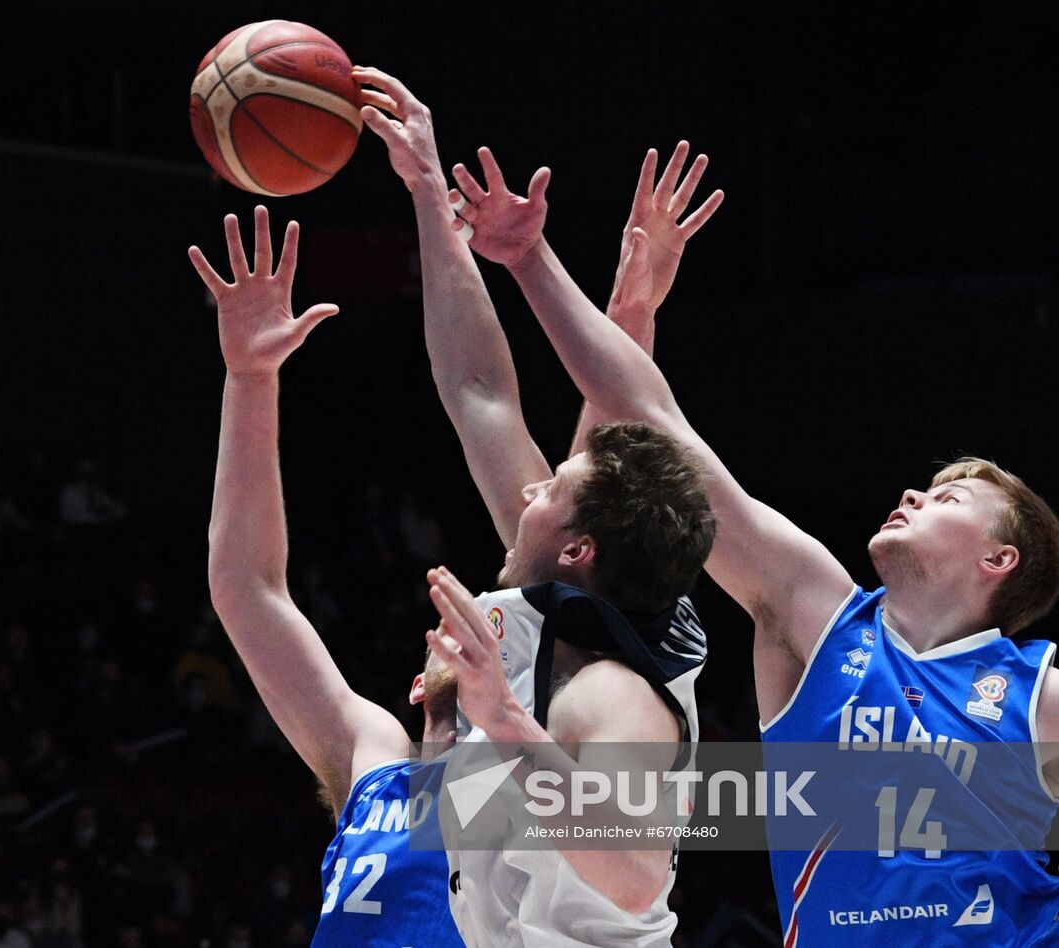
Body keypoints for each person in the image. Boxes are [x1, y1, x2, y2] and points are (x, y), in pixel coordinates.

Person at [453, 141, 1059, 945]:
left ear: (999, 560)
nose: (913, 494)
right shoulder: (818, 619)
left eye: (948, 497)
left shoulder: (1036, 693)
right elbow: (653, 419)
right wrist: (531, 261)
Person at [192, 184, 715, 944]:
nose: (463, 634)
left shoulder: (571, 724)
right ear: (420, 682)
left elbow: (636, 869)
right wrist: (248, 380)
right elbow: (247, 588)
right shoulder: (379, 767)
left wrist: (629, 318)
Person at [354, 64, 721, 945]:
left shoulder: (618, 694)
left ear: (579, 548)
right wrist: (424, 190)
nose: (535, 484)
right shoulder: (554, 619)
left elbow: (635, 874)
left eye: (555, 488)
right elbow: (478, 391)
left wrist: (500, 718)